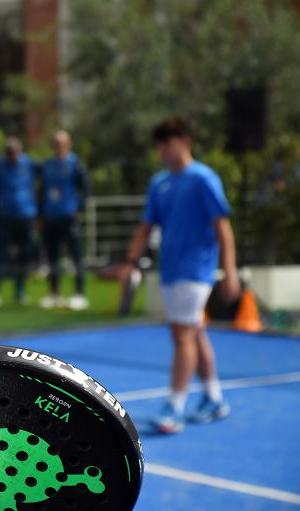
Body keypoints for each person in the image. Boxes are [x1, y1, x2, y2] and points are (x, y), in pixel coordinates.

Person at [118, 117, 239, 434]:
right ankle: (213, 398)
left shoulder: (203, 179)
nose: (161, 150)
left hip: (196, 270)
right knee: (195, 333)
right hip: (170, 270)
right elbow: (147, 227)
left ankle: (175, 405)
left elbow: (223, 229)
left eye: (167, 143)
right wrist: (131, 262)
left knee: (182, 336)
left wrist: (230, 272)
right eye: (159, 145)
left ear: (185, 142)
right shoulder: (159, 183)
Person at [39, 130, 90, 311]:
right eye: (56, 143)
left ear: (68, 144)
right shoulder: (48, 165)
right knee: (53, 257)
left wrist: (78, 209)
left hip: (69, 217)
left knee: (76, 256)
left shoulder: (76, 163)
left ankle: (79, 294)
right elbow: (42, 190)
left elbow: (85, 190)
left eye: (62, 143)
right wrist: (41, 214)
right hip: (51, 217)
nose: (59, 146)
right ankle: (54, 294)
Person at [0, 137, 37, 307]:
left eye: (15, 152)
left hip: (25, 215)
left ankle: (20, 290)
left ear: (20, 151)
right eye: (9, 152)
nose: (12, 155)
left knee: (24, 255)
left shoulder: (30, 164)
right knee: (1, 255)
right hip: (5, 216)